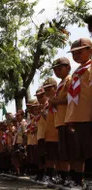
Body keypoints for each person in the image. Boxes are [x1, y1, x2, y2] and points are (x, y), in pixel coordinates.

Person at [64, 38, 92, 188]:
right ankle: (78, 181)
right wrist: (70, 118)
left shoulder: (90, 69)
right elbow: (72, 98)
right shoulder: (77, 73)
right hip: (78, 117)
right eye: (74, 54)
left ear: (90, 51)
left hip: (88, 115)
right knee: (79, 152)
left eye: (80, 52)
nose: (76, 56)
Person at [50, 57, 73, 186]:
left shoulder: (69, 80)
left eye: (59, 68)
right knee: (62, 152)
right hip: (60, 121)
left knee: (69, 152)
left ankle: (71, 178)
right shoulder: (60, 84)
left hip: (67, 119)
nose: (57, 71)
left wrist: (55, 101)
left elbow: (71, 98)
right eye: (55, 70)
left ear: (68, 68)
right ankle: (63, 177)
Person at [34, 88, 48, 181]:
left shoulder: (48, 104)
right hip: (40, 136)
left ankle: (48, 174)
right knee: (40, 157)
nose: (39, 99)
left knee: (47, 157)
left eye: (41, 96)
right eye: (38, 97)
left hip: (47, 134)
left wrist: (42, 111)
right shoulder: (41, 108)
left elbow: (48, 118)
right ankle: (41, 174)